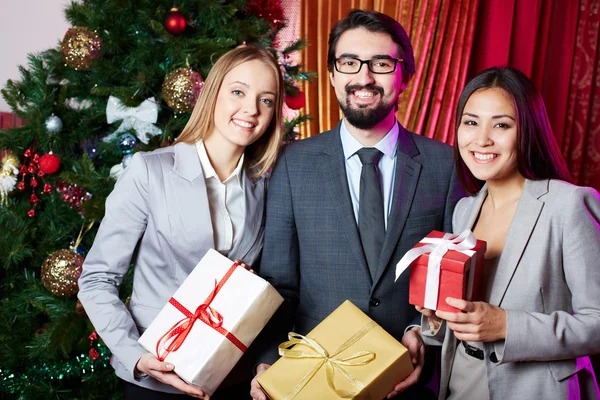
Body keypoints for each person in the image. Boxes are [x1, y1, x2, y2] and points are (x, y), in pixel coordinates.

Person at [250, 9, 465, 400]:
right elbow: (278, 285)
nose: (363, 77)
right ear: (332, 74)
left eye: (381, 63)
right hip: (314, 377)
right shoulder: (291, 165)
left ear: (405, 75)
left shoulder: (445, 165)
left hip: (408, 380)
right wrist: (267, 360)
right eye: (349, 62)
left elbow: (452, 283)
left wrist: (423, 331)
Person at [78, 44, 285, 400]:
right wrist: (136, 357)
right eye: (238, 92)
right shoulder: (149, 171)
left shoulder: (267, 186)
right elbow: (96, 279)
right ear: (214, 94)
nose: (251, 109)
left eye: (266, 100)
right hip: (155, 377)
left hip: (232, 382)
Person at [417, 66, 600, 400]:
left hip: (536, 389)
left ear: (527, 131)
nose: (482, 139)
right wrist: (433, 320)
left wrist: (507, 326)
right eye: (471, 122)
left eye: (501, 125)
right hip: (460, 380)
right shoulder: (463, 211)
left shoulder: (568, 205)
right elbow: (465, 318)